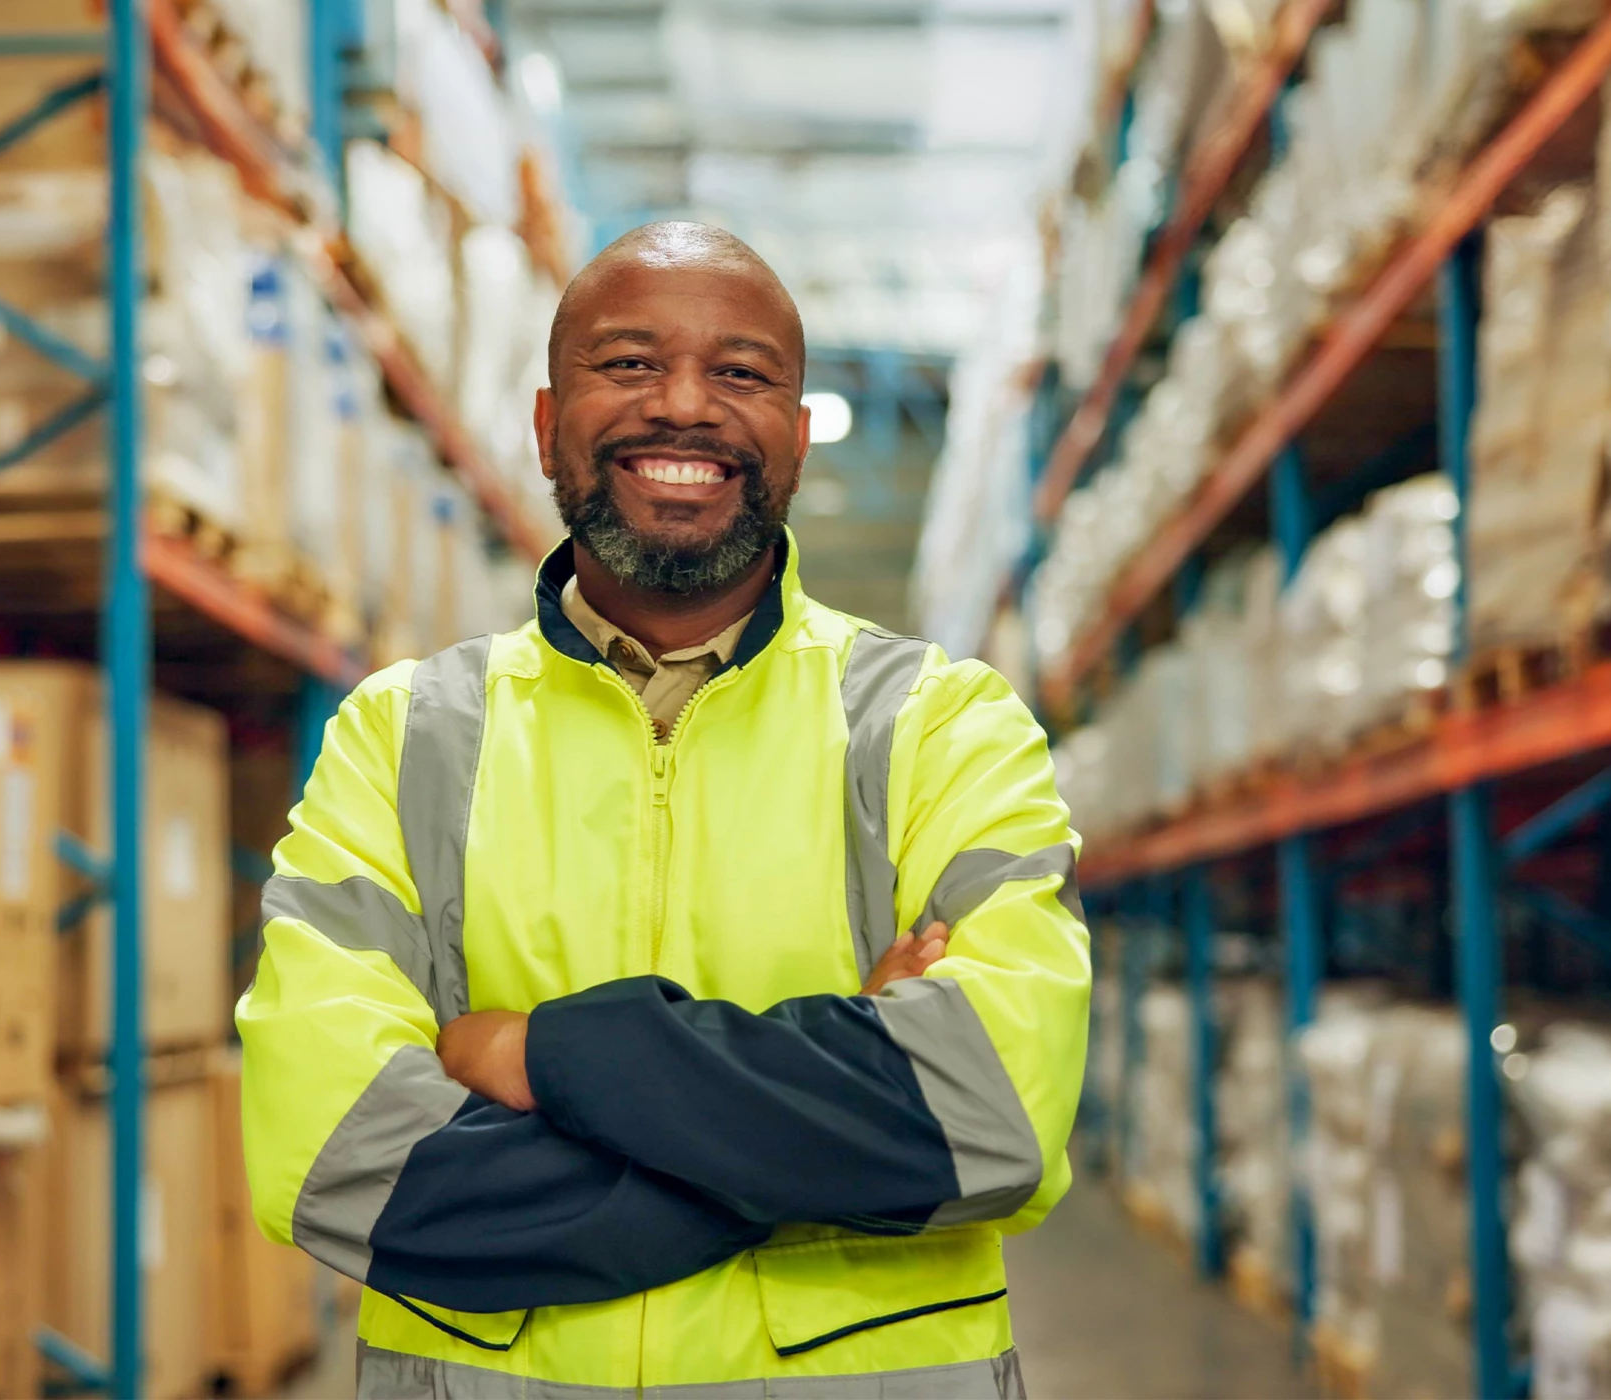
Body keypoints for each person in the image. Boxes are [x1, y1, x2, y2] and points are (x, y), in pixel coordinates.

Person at [236, 221, 1088, 1398]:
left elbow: (984, 1112)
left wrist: (533, 1051)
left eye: (738, 373)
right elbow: (334, 1160)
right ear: (545, 426)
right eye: (627, 363)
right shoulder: (402, 736)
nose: (682, 405)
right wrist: (817, 1120)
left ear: (793, 438)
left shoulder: (940, 725)